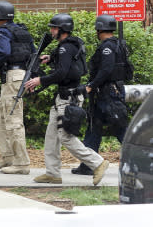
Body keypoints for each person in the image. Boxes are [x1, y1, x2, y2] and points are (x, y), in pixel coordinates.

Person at [24, 13, 110, 185]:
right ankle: (52, 173)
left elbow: (62, 72)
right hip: (63, 97)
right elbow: (68, 65)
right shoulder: (69, 45)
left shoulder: (65, 48)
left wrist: (40, 80)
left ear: (61, 29)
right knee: (51, 136)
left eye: (54, 28)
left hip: (68, 98)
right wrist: (49, 59)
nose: (51, 30)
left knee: (65, 136)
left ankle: (97, 162)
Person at [72, 14, 131, 175]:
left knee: (120, 128)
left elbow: (106, 70)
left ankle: (145, 160)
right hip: (106, 93)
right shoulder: (118, 45)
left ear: (100, 29)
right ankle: (88, 165)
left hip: (109, 93)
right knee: (93, 127)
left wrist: (91, 85)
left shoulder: (107, 47)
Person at [0, 1, 33, 174]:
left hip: (13, 76)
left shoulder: (3, 33)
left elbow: (3, 53)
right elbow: (33, 52)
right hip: (21, 75)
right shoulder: (22, 31)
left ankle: (21, 163)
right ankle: (8, 156)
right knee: (0, 114)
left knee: (13, 119)